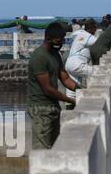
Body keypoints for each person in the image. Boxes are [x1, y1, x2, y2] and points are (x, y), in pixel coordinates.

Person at [27, 22, 80, 150]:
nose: (60, 43)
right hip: (40, 109)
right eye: (57, 40)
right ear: (48, 38)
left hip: (54, 107)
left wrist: (82, 91)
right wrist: (72, 100)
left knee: (55, 148)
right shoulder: (39, 57)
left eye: (62, 40)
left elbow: (65, 78)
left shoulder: (55, 54)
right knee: (42, 150)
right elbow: (48, 89)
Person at [65, 19, 98, 110]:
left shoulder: (79, 34)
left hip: (69, 63)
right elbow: (100, 43)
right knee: (98, 73)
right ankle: (95, 99)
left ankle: (70, 110)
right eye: (95, 28)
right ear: (91, 28)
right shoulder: (88, 37)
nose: (95, 31)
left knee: (71, 92)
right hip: (77, 63)